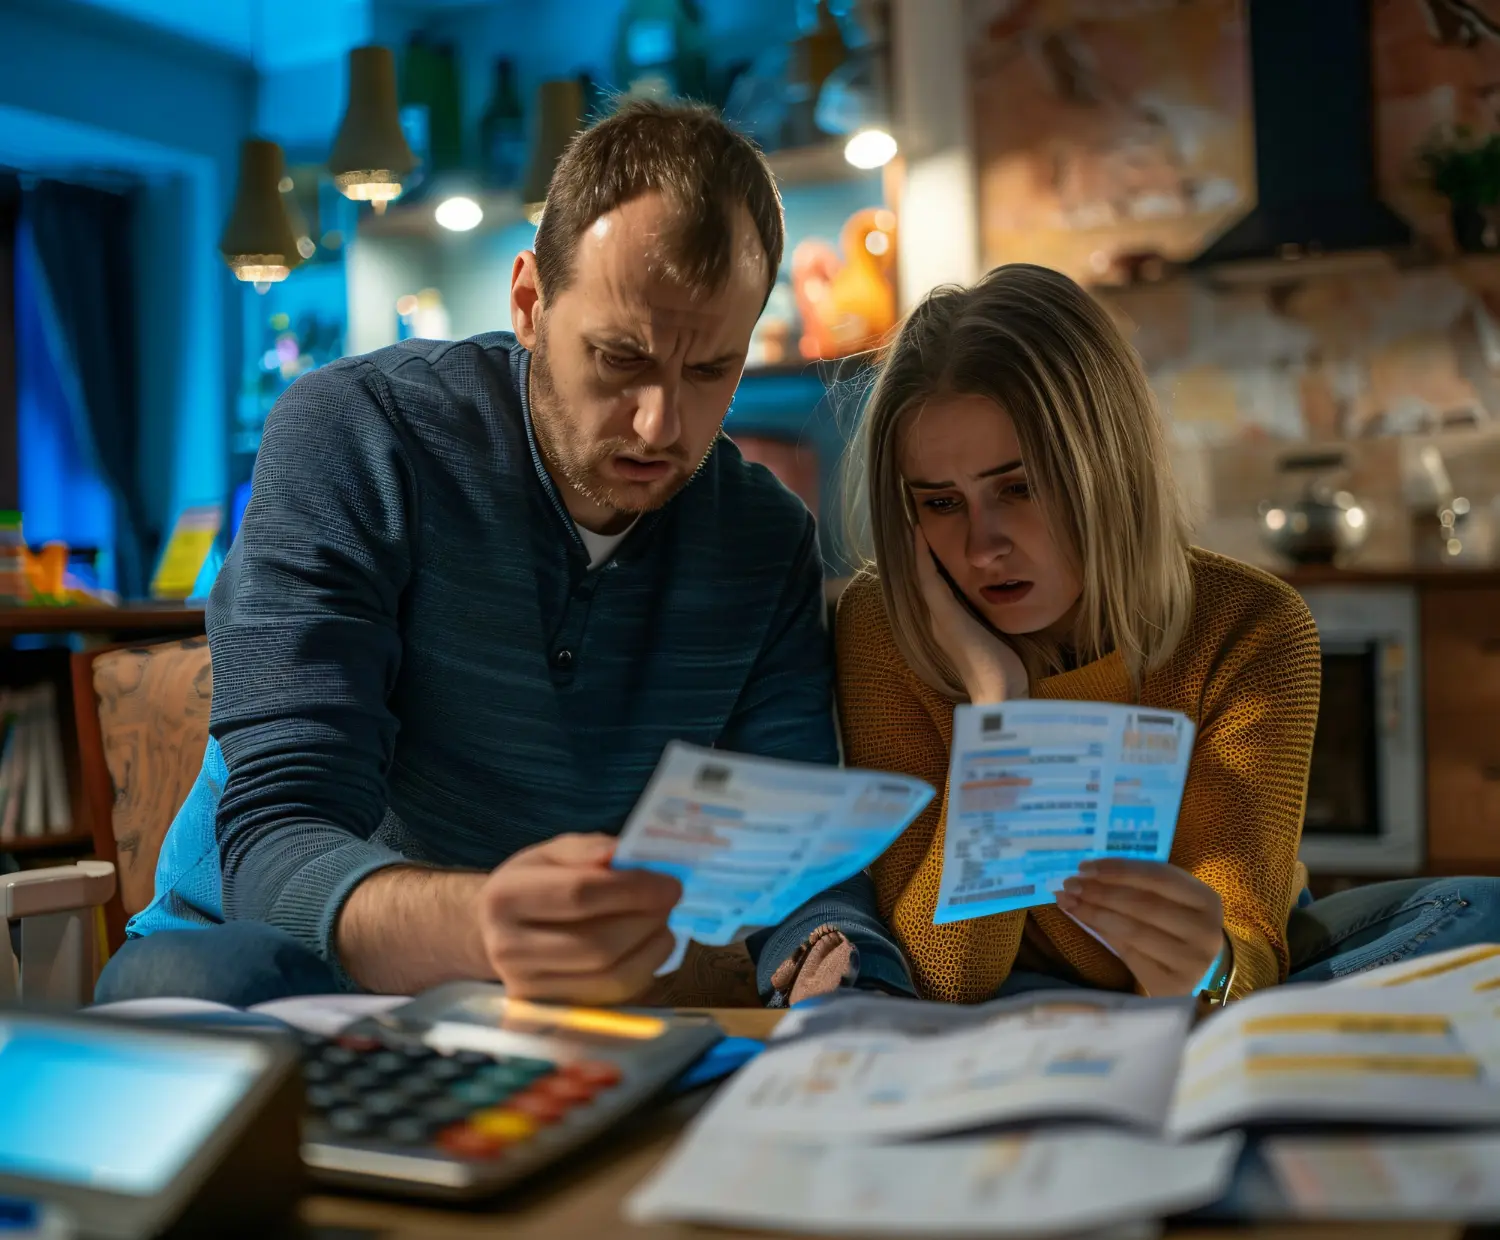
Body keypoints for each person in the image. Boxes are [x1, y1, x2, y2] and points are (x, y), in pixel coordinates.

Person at [94, 100, 905, 1009]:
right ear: (528, 302)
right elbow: (280, 841)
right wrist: (488, 928)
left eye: (710, 369)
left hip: (527, 1017)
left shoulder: (763, 541)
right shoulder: (358, 439)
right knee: (209, 986)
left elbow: (792, 852)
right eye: (619, 357)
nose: (660, 423)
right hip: (259, 972)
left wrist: (836, 956)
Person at [823, 262, 1500, 1005]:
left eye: (1019, 488)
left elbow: (1243, 942)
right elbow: (943, 975)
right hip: (1007, 981)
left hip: (1207, 976)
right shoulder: (883, 624)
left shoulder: (1251, 625)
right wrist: (1000, 713)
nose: (984, 547)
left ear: (1106, 467)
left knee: (1475, 912)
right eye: (943, 503)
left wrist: (1215, 970)